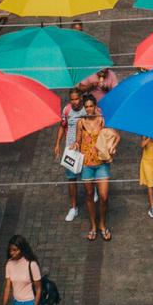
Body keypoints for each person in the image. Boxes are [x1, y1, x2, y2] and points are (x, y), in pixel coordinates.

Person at [74, 97, 115, 241]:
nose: (89, 109)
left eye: (91, 106)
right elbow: (78, 141)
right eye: (86, 107)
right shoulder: (81, 122)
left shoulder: (102, 120)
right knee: (89, 195)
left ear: (95, 106)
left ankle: (102, 224)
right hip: (87, 165)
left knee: (104, 196)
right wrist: (75, 145)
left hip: (102, 164)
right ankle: (93, 226)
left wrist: (112, 146)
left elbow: (113, 136)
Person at [55, 87, 87, 223]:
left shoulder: (87, 109)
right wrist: (57, 144)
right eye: (72, 99)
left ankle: (93, 196)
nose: (74, 102)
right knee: (71, 179)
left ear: (81, 98)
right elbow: (62, 126)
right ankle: (73, 208)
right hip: (71, 150)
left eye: (76, 98)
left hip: (85, 149)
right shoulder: (67, 110)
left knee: (87, 177)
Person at [0, 233, 44, 305]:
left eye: (15, 250)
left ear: (22, 249)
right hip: (16, 302)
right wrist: (4, 304)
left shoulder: (32, 264)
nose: (12, 253)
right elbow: (7, 287)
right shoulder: (9, 264)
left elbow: (38, 289)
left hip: (30, 302)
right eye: (10, 250)